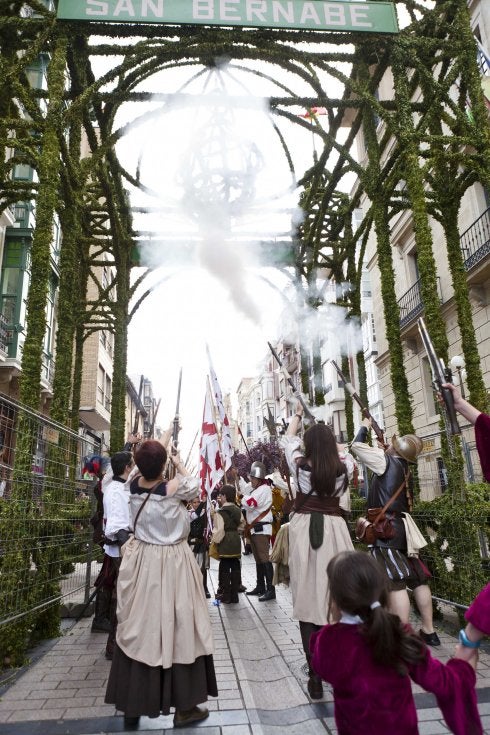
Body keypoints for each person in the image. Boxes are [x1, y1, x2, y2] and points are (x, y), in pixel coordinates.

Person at [105, 439, 218, 728]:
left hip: (142, 561)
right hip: (175, 563)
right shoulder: (171, 488)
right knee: (181, 628)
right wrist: (177, 462)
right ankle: (185, 707)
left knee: (139, 628)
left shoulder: (130, 486)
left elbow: (134, 470)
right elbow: (194, 485)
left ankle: (132, 706)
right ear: (163, 464)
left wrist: (158, 451)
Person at [310, 550, 482, 735]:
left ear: (335, 597)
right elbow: (441, 682)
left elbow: (322, 669)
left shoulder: (328, 641)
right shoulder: (398, 632)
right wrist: (463, 668)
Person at [280, 403, 354, 699]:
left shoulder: (299, 464)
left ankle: (314, 675)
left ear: (308, 446)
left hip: (305, 532)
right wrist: (329, 438)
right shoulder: (344, 466)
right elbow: (343, 451)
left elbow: (287, 440)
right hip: (335, 530)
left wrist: (298, 415)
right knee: (338, 598)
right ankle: (339, 670)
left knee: (309, 600)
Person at [351, 419, 441, 647]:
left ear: (396, 449)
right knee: (418, 579)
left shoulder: (385, 461)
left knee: (396, 582)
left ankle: (401, 635)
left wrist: (363, 426)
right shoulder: (403, 467)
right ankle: (429, 631)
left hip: (386, 532)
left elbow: (356, 446)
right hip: (402, 530)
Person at [100, 450, 134, 660]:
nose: (133, 468)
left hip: (126, 545)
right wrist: (129, 550)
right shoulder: (115, 490)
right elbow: (118, 525)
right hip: (122, 547)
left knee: (123, 593)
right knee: (121, 594)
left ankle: (120, 641)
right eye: (131, 464)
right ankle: (114, 644)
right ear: (126, 468)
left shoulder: (122, 487)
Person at [240, 461, 276, 601]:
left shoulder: (264, 489)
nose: (251, 481)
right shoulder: (258, 489)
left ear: (259, 479)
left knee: (264, 559)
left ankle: (270, 589)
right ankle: (261, 586)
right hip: (255, 528)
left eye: (253, 479)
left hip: (261, 527)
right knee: (259, 559)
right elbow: (247, 492)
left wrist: (243, 498)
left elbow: (251, 503)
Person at [212, 484, 242, 604]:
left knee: (224, 566)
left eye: (221, 495)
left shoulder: (220, 512)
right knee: (235, 565)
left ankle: (226, 595)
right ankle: (235, 596)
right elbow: (242, 525)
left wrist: (215, 541)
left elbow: (219, 530)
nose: (220, 497)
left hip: (225, 541)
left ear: (225, 496)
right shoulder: (238, 509)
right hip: (235, 539)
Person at [188, 496, 211, 598]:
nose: (196, 504)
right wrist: (203, 503)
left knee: (203, 568)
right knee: (192, 567)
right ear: (191, 503)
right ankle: (193, 589)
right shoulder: (189, 513)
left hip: (202, 543)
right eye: (194, 502)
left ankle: (204, 588)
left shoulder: (205, 513)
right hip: (192, 544)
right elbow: (195, 516)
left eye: (198, 502)